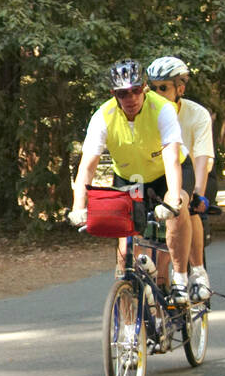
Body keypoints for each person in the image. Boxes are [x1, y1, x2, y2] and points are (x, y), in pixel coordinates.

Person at [68, 60, 194, 300]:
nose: (131, 98)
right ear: (113, 94)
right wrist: (78, 207)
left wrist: (173, 199)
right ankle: (128, 319)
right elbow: (88, 165)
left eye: (136, 90)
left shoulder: (162, 109)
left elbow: (171, 159)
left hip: (168, 174)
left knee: (178, 210)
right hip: (130, 178)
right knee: (125, 250)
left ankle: (180, 278)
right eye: (123, 93)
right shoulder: (103, 116)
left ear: (144, 88)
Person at [146, 56, 214, 300]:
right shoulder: (148, 112)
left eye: (163, 88)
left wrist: (199, 192)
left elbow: (202, 157)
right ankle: (158, 300)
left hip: (195, 172)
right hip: (161, 173)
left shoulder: (197, 114)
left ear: (180, 89)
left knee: (187, 206)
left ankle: (197, 273)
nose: (156, 92)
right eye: (152, 87)